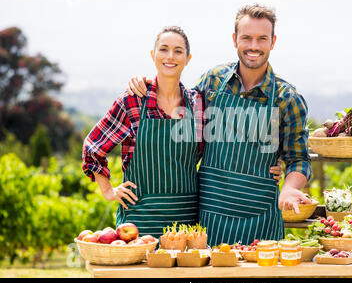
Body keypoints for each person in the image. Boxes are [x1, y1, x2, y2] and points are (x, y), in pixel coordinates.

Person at [126, 4, 312, 246]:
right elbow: (176, 102)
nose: (253, 46)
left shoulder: (287, 99)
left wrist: (289, 188)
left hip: (261, 221)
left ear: (272, 42)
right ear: (235, 40)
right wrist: (147, 83)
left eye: (261, 39)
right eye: (246, 38)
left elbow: (299, 159)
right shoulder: (213, 81)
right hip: (209, 220)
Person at [82, 26, 282, 238]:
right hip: (140, 220)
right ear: (153, 55)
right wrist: (108, 190)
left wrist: (270, 161)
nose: (170, 56)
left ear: (188, 59)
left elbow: (227, 138)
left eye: (178, 51)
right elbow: (94, 147)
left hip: (186, 223)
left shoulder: (197, 103)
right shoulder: (133, 101)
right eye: (164, 49)